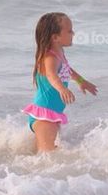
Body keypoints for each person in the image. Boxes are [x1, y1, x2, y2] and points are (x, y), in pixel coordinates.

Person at [23, 12, 98, 152]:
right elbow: (52, 75)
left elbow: (67, 70)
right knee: (47, 157)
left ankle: (23, 172)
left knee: (44, 155)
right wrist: (62, 89)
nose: (73, 33)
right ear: (55, 37)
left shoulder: (60, 53)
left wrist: (81, 81)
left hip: (51, 114)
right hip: (44, 116)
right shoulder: (49, 58)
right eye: (69, 31)